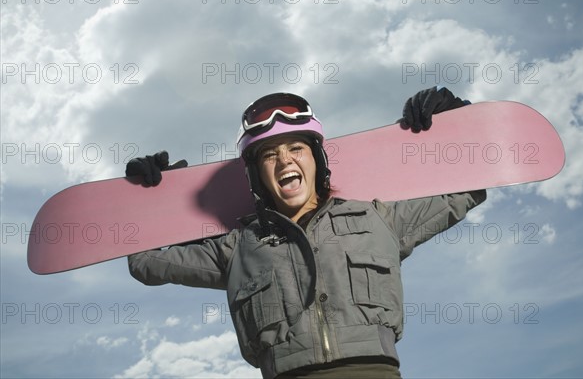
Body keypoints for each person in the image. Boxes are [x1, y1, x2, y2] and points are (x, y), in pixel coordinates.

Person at [126, 87, 486, 379]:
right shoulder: (240, 247)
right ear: (256, 176)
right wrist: (157, 203)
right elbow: (146, 263)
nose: (285, 161)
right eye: (269, 155)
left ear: (317, 160)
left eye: (296, 148)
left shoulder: (377, 218)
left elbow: (470, 186)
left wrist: (457, 122)